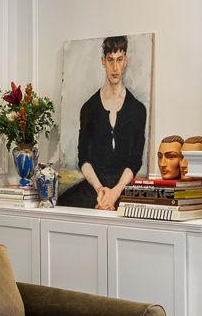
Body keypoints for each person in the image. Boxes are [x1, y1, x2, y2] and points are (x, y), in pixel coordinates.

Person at [59, 36, 148, 209]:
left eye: (119, 60)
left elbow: (135, 160)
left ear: (125, 61)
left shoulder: (137, 109)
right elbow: (83, 158)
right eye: (110, 60)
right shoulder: (89, 108)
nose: (115, 67)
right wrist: (100, 190)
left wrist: (114, 193)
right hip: (94, 187)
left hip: (123, 188)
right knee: (62, 203)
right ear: (103, 61)